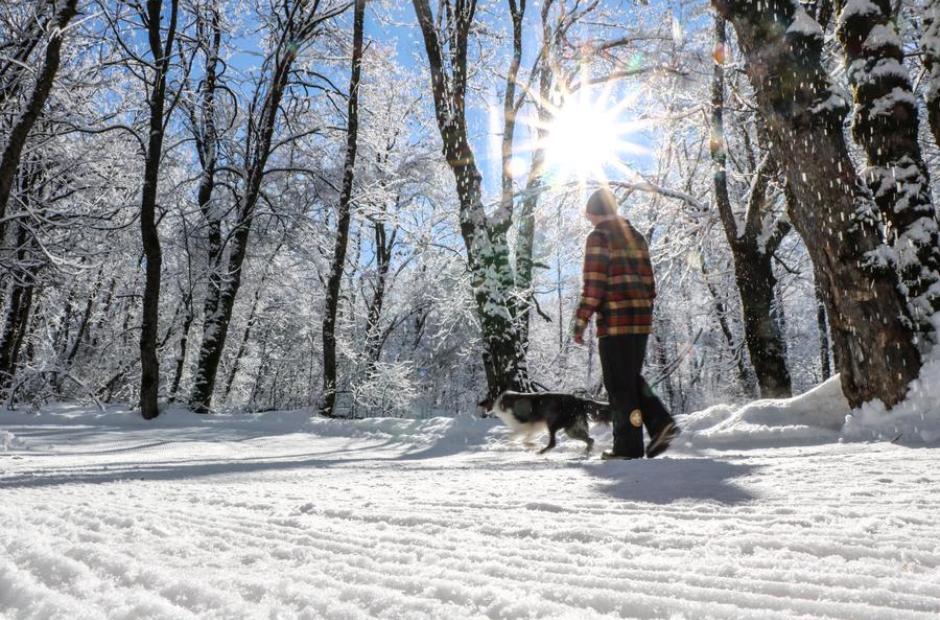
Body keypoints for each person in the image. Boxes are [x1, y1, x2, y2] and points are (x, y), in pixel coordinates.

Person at [573, 187, 680, 460]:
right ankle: (660, 424)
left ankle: (628, 448)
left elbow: (594, 284)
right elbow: (650, 284)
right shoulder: (637, 236)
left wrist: (581, 320)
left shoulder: (599, 236)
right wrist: (642, 308)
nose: (588, 219)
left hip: (615, 323)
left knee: (619, 387)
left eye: (589, 214)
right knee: (630, 380)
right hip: (640, 321)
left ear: (594, 212)